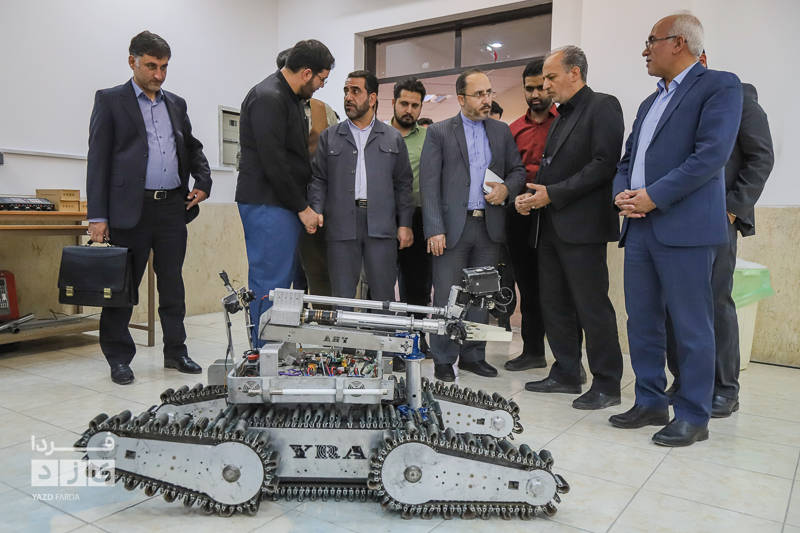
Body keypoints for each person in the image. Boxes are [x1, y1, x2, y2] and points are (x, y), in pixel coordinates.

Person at [610, 14, 743, 447]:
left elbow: (711, 155)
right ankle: (650, 400)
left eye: (651, 41)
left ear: (679, 43)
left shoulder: (720, 85)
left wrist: (653, 196)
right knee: (642, 322)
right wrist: (622, 194)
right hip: (639, 226)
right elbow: (628, 160)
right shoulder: (649, 103)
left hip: (685, 227)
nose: (645, 50)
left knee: (691, 326)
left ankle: (693, 414)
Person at [86, 31, 212, 384]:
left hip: (172, 207)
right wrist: (98, 216)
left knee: (172, 285)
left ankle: (176, 351)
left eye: (164, 67)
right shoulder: (110, 100)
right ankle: (118, 358)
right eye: (152, 66)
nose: (159, 74)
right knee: (123, 288)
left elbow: (192, 147)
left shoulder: (176, 104)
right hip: (131, 209)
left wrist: (203, 181)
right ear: (133, 62)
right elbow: (97, 160)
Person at [665, 51, 774, 419]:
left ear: (701, 58)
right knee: (674, 305)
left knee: (715, 303)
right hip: (672, 218)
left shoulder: (738, 95)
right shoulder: (670, 103)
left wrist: (731, 209)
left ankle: (725, 389)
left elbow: (761, 157)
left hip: (716, 220)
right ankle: (684, 381)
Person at [517, 46, 624, 410]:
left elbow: (603, 164)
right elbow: (553, 169)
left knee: (592, 307)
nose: (545, 85)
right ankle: (566, 372)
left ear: (574, 73)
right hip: (551, 224)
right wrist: (534, 197)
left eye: (551, 77)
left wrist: (553, 194)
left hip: (583, 226)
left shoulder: (603, 106)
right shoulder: (561, 116)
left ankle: (607, 383)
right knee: (555, 303)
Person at [420, 68, 526, 382]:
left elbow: (518, 171)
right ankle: (443, 358)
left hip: (488, 228)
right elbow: (429, 183)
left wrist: (506, 189)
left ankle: (473, 356)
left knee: (481, 296)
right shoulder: (439, 132)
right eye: (479, 94)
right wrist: (434, 228)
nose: (486, 99)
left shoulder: (501, 131)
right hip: (452, 227)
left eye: (489, 93)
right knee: (447, 296)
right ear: (461, 98)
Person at [236, 40, 334, 347]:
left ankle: (275, 348)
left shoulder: (288, 98)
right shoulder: (269, 97)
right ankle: (262, 353)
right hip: (268, 203)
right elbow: (274, 162)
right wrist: (302, 207)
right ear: (306, 73)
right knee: (269, 283)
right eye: (321, 79)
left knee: (282, 285)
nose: (321, 86)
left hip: (281, 203)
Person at [308, 70, 414, 330]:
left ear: (372, 98)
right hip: (341, 224)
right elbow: (319, 179)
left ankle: (383, 347)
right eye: (346, 91)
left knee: (383, 294)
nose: (348, 97)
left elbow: (403, 184)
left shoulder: (392, 137)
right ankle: (345, 349)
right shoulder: (330, 136)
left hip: (381, 225)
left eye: (356, 91)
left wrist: (405, 223)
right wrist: (316, 210)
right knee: (342, 295)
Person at [503, 59, 558, 372]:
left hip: (556, 212)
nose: (535, 94)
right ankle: (533, 351)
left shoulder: (564, 123)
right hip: (520, 214)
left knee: (559, 287)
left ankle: (567, 360)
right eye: (529, 88)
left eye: (540, 87)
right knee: (527, 285)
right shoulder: (512, 130)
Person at [274, 47, 339, 302]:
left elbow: (336, 155)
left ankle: (321, 319)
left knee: (317, 269)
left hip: (314, 203)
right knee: (288, 269)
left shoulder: (324, 110)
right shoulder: (272, 104)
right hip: (281, 203)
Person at [389, 77, 431, 358]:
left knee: (417, 283)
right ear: (393, 102)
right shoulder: (378, 133)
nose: (409, 110)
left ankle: (417, 337)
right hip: (382, 216)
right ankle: (382, 337)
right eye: (404, 103)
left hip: (418, 216)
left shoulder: (429, 138)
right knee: (380, 281)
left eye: (415, 105)